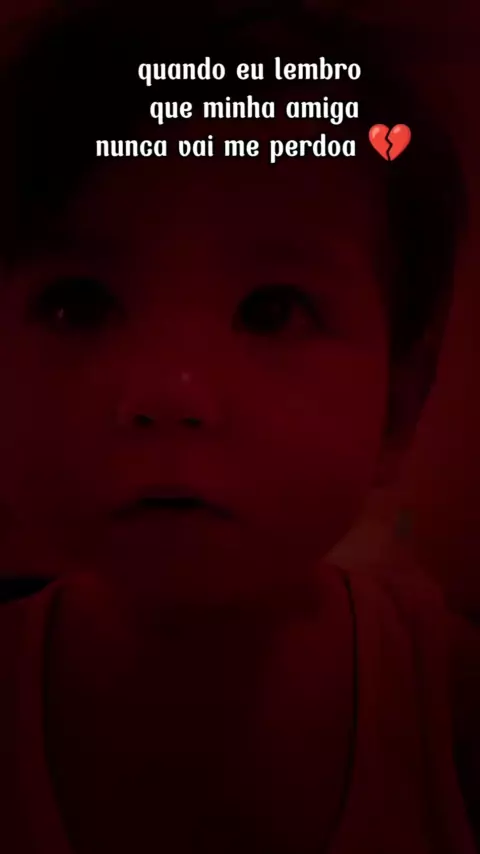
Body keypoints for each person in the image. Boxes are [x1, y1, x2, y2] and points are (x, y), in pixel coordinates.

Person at [0, 3, 478, 852]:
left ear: (400, 401)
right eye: (79, 304)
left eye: (271, 310)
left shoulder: (452, 701)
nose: (169, 394)